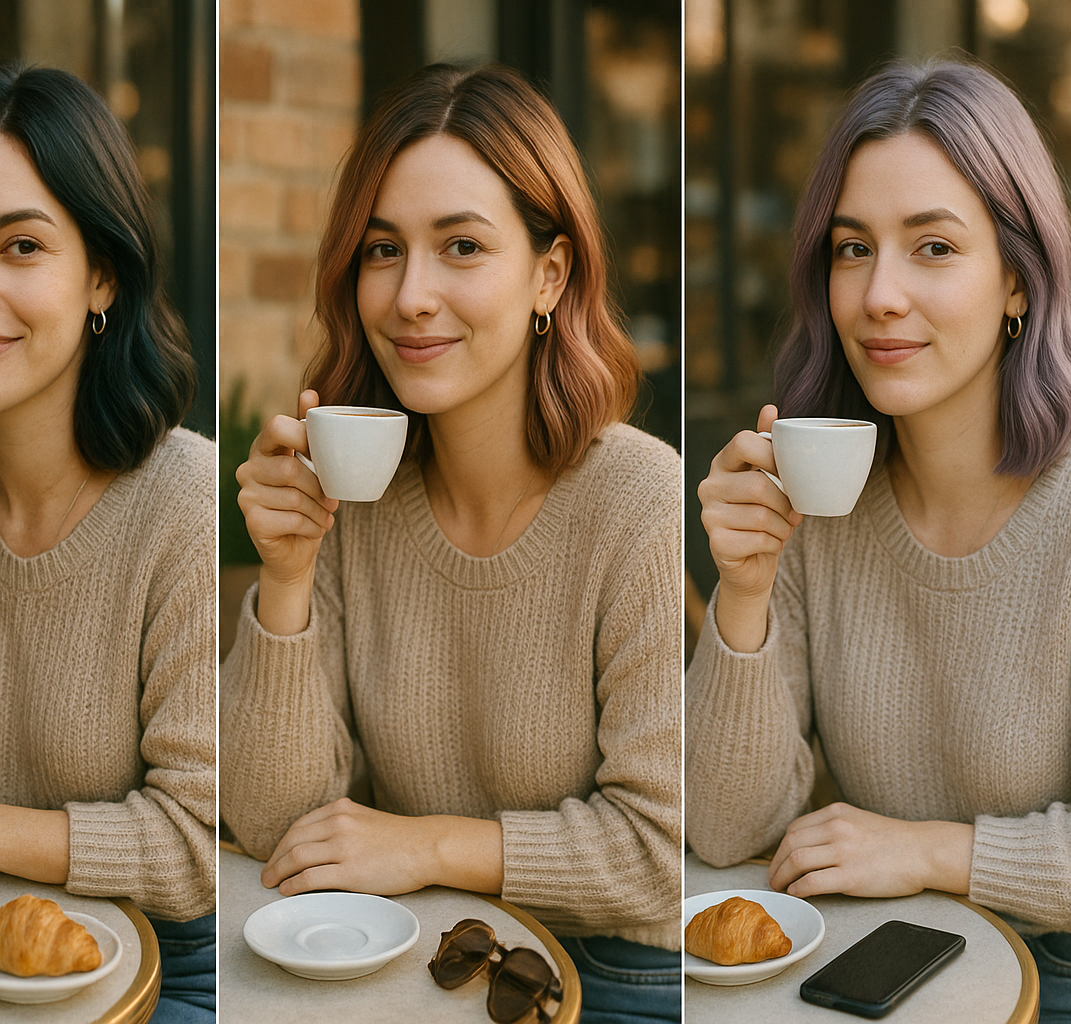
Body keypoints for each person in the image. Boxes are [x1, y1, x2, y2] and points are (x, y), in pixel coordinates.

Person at [219, 64, 682, 1024]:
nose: (411, 296)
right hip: (410, 974)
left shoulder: (636, 497)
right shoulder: (356, 495)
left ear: (549, 275)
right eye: (383, 250)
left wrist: (429, 846)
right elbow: (274, 829)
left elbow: (658, 846)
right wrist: (288, 578)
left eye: (461, 246)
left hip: (619, 984)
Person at [687, 58, 1071, 1023]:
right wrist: (742, 592)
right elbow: (726, 833)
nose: (880, 295)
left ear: (1019, 282)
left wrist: (931, 850)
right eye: (853, 249)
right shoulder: (815, 504)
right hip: (863, 985)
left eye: (932, 248)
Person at [0, 65, 215, 1023]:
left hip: (165, 971)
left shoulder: (183, 504)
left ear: (102, 276)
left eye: (20, 246)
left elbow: (193, 837)